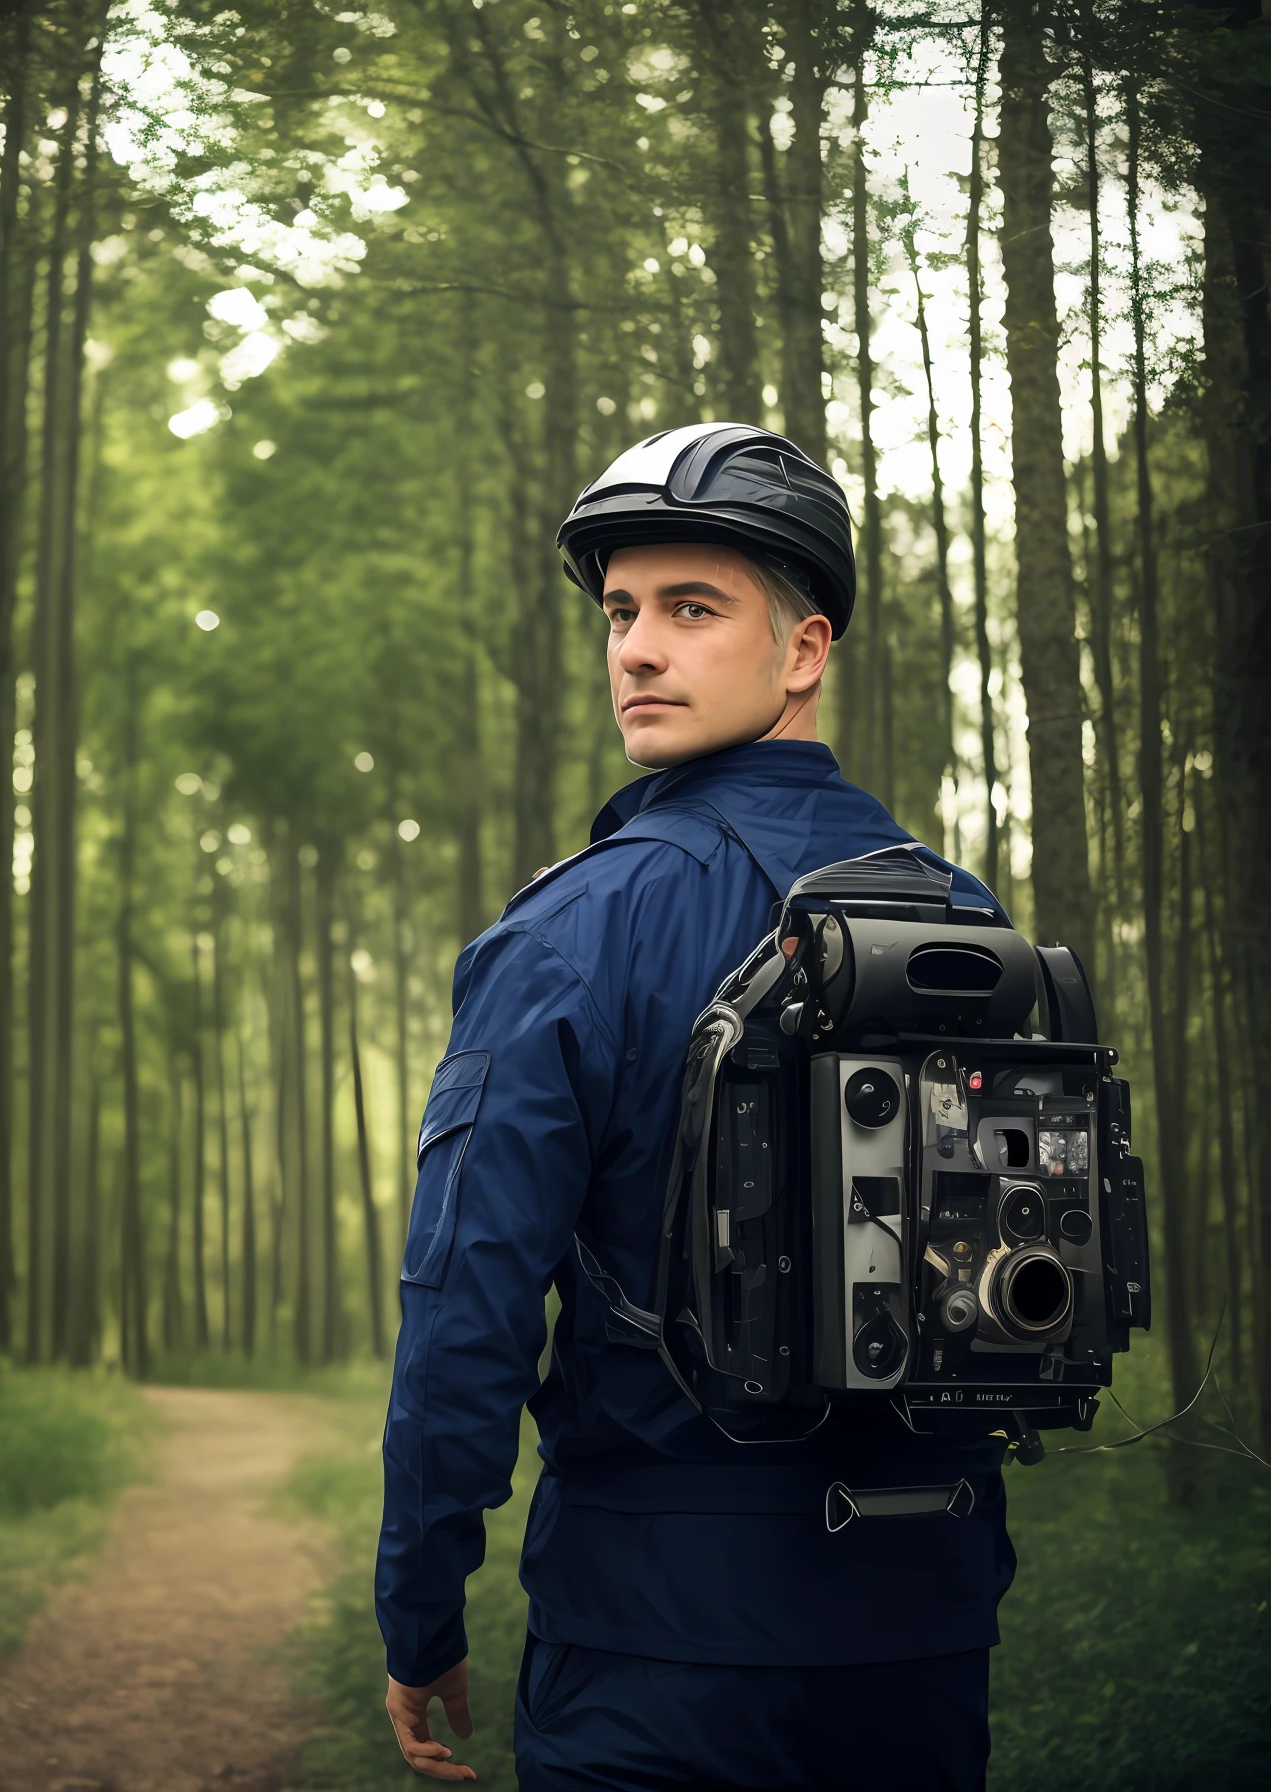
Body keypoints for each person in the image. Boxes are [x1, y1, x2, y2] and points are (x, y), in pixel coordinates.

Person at [376, 424, 1016, 1791]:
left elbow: (466, 1308)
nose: (636, 650)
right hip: (923, 1628)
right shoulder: (969, 922)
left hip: (651, 1658)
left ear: (804, 651)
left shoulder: (569, 932)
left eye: (691, 608)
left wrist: (419, 1611)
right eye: (620, 612)